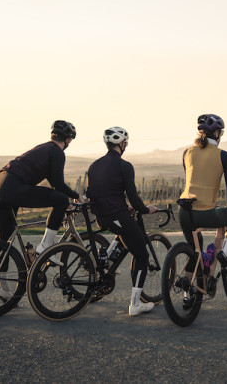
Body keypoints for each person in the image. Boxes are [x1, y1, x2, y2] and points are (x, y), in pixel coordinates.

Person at [0, 120, 81, 299]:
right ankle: (46, 246)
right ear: (68, 140)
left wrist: (66, 199)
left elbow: (54, 184)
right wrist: (76, 196)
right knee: (61, 200)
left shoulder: (43, 148)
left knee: (4, 241)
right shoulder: (57, 152)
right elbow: (59, 186)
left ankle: (4, 288)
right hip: (12, 188)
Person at [86, 126, 159, 316]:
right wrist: (146, 209)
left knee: (126, 233)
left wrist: (123, 206)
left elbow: (96, 193)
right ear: (122, 144)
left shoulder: (94, 165)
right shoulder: (124, 166)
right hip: (115, 215)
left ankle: (105, 266)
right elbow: (133, 197)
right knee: (142, 255)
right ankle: (135, 304)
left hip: (101, 217)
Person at [177, 114, 227, 301]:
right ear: (216, 133)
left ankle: (188, 294)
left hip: (184, 211)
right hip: (205, 213)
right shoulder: (224, 156)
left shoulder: (187, 152)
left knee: (194, 249)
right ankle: (224, 253)